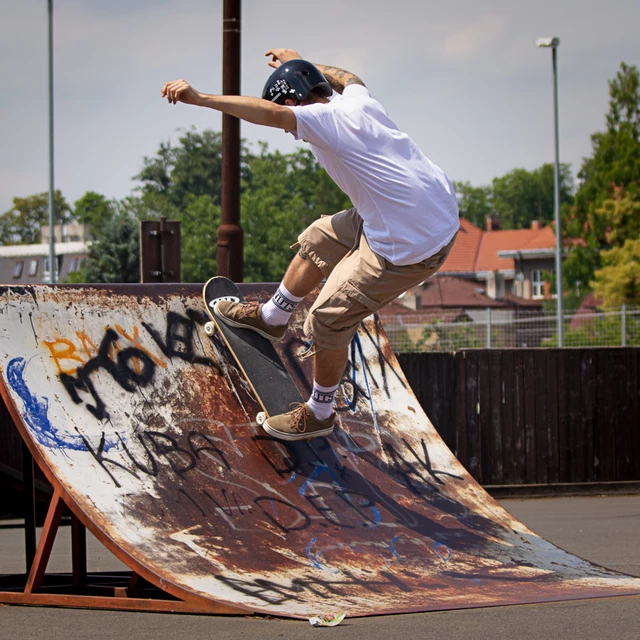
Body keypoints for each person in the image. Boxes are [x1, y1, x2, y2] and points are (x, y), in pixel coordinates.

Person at [161, 48, 459, 443]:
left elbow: (268, 115)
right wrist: (304, 62)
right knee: (320, 234)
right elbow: (351, 76)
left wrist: (201, 99)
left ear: (293, 102)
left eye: (289, 120)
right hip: (426, 214)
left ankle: (319, 413)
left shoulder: (324, 119)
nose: (290, 133)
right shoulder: (355, 100)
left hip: (408, 246)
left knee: (328, 318)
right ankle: (272, 317)